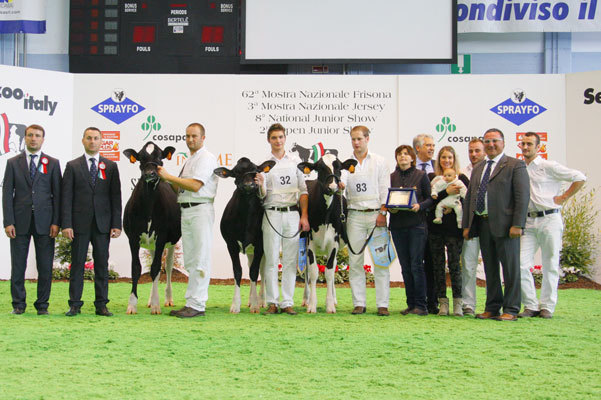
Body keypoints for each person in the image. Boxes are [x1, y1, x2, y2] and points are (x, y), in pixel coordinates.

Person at [462, 128, 530, 321]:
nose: (491, 144)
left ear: (503, 143)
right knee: (490, 269)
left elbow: (522, 197)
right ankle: (492, 308)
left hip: (507, 227)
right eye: (487, 141)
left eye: (495, 141)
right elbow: (470, 197)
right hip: (483, 224)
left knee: (510, 269)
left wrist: (518, 224)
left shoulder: (515, 165)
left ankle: (511, 309)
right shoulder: (479, 167)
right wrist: (467, 225)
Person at [518, 132, 586, 319]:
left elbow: (580, 177)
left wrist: (564, 197)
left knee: (550, 263)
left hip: (550, 218)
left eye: (529, 144)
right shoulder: (520, 168)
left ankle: (547, 306)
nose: (525, 147)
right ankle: (531, 305)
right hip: (528, 221)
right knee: (521, 264)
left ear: (538, 147)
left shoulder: (549, 166)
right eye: (523, 144)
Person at [158, 123, 218, 318]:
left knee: (200, 258)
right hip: (186, 209)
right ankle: (191, 302)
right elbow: (181, 188)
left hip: (200, 209)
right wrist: (166, 180)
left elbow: (195, 185)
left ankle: (198, 304)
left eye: (194, 136)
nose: (190, 139)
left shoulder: (206, 158)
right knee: (191, 259)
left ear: (203, 138)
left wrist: (169, 177)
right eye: (188, 136)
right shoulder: (190, 160)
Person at [62, 127, 122, 317]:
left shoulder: (110, 166)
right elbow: (66, 198)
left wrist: (116, 224)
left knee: (102, 265)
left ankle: (101, 305)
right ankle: (74, 304)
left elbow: (116, 197)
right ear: (83, 140)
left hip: (103, 224)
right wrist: (66, 224)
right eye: (89, 138)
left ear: (101, 141)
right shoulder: (72, 166)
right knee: (77, 264)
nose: (92, 141)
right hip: (79, 224)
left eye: (96, 138)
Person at [3, 124, 61, 315]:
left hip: (46, 223)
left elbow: (58, 195)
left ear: (43, 139)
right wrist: (8, 222)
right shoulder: (13, 163)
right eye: (30, 135)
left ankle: (42, 305)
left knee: (45, 266)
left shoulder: (52, 163)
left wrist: (56, 222)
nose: (33, 138)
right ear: (25, 138)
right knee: (18, 265)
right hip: (19, 222)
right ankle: (18, 304)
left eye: (37, 135)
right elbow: (7, 194)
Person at [255, 123, 309, 315]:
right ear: (268, 140)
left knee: (290, 260)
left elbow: (303, 191)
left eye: (280, 137)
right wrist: (261, 184)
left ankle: (287, 302)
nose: (278, 141)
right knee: (270, 259)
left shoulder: (295, 161)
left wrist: (304, 215)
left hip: (292, 213)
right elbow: (262, 196)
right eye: (274, 138)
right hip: (272, 213)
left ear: (285, 138)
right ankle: (272, 302)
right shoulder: (263, 165)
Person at [344, 125, 390, 316]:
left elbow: (385, 189)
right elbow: (342, 189)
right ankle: (359, 303)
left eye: (359, 139)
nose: (356, 143)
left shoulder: (379, 161)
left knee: (381, 261)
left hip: (375, 215)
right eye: (353, 139)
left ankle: (383, 304)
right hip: (354, 215)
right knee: (355, 260)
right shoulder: (346, 164)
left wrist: (383, 213)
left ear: (367, 139)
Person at [389, 145, 433, 316]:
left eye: (406, 154)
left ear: (413, 158)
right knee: (405, 267)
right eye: (399, 154)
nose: (403, 157)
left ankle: (421, 305)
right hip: (398, 226)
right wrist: (390, 208)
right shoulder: (392, 177)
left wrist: (420, 206)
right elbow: (388, 198)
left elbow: (430, 199)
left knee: (416, 265)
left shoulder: (421, 175)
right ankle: (411, 303)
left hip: (417, 226)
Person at [427, 146, 469, 316]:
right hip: (436, 229)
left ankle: (458, 302)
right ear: (439, 160)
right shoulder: (433, 178)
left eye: (450, 157)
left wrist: (453, 207)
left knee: (454, 265)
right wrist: (446, 193)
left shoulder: (461, 178)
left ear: (454, 159)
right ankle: (442, 302)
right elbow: (429, 202)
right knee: (437, 266)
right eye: (443, 157)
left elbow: (467, 199)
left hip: (454, 230)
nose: (447, 161)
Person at [460, 138, 486, 316]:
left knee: (492, 265)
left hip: (489, 222)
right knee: (468, 265)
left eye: (477, 151)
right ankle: (468, 304)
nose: (474, 154)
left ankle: (493, 304)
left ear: (484, 151)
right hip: (470, 223)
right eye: (471, 151)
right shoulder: (462, 173)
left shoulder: (494, 170)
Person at [413, 133, 438, 313]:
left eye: (433, 145)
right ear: (418, 148)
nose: (431, 148)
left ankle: (433, 302)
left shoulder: (439, 166)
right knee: (415, 264)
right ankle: (416, 302)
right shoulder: (407, 166)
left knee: (432, 262)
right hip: (414, 222)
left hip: (436, 222)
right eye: (428, 145)